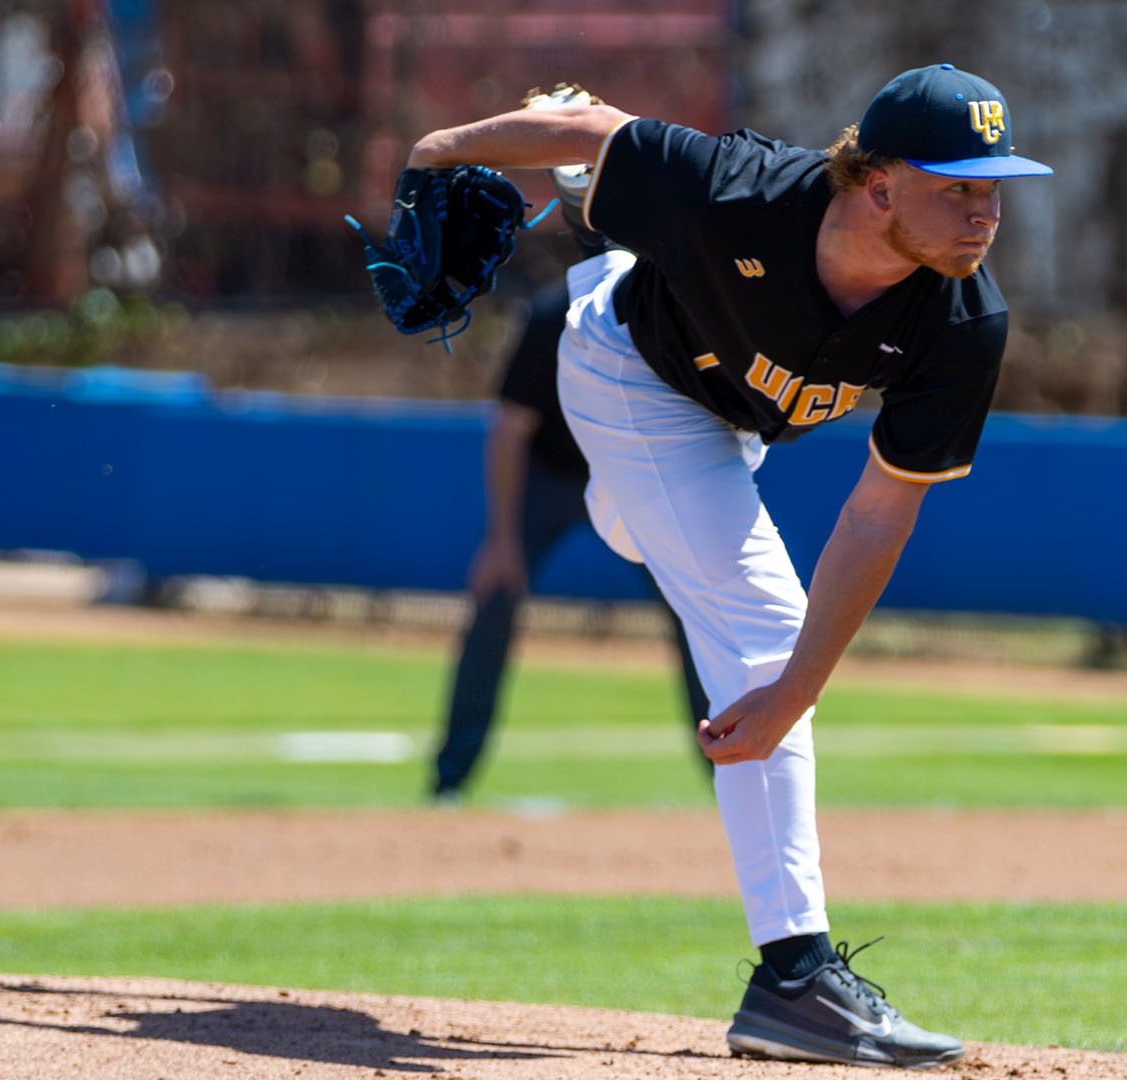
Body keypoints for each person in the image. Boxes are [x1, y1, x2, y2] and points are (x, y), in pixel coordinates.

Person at [402, 63, 1051, 1068]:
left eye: (992, 186)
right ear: (877, 184)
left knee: (663, 548)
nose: (983, 211)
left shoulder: (962, 320)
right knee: (756, 620)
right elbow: (594, 126)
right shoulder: (735, 189)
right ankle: (795, 977)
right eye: (956, 185)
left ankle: (628, 513)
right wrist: (438, 153)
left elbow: (880, 513)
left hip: (730, 427)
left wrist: (799, 690)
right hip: (625, 369)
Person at [431, 241, 713, 804]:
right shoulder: (552, 316)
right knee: (496, 597)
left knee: (699, 615)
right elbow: (511, 429)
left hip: (636, 481)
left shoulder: (672, 310)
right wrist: (502, 540)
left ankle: (730, 773)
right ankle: (450, 780)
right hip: (555, 476)